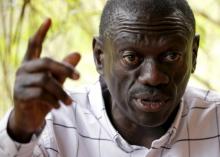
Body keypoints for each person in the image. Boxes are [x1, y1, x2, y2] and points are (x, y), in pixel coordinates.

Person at [0, 0, 220, 156]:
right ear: (99, 57)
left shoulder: (216, 120)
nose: (153, 77)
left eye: (172, 56)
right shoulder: (54, 124)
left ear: (193, 55)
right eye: (131, 57)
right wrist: (19, 131)